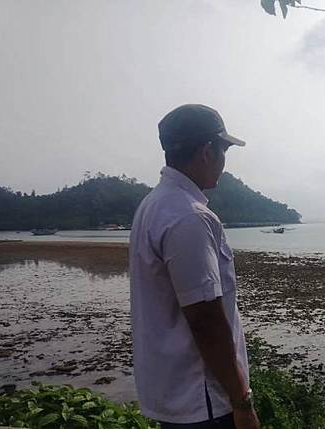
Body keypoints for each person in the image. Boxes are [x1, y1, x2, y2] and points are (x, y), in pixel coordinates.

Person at [129, 104, 260, 429]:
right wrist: (241, 400)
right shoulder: (189, 217)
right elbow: (205, 320)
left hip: (176, 396)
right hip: (203, 403)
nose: (225, 160)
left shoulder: (155, 204)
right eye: (224, 149)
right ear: (206, 152)